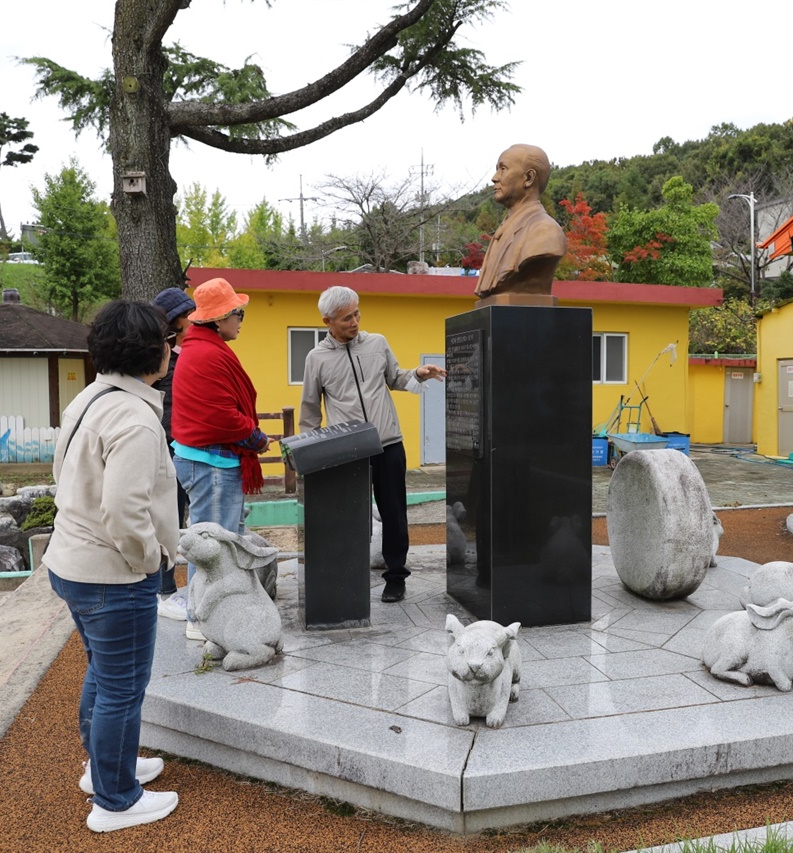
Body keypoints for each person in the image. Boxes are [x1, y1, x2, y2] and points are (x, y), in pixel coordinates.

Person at [45, 299, 180, 833]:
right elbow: (125, 511)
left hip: (72, 560)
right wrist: (149, 561)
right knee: (123, 686)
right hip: (112, 571)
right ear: (153, 351)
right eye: (169, 341)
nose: (172, 348)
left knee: (105, 673)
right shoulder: (135, 417)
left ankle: (104, 768)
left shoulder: (90, 397)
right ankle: (115, 799)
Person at [300, 285, 447, 603]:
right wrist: (308, 456)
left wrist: (419, 373)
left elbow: (396, 377)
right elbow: (310, 409)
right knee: (348, 515)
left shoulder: (377, 343)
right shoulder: (316, 358)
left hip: (388, 444)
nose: (354, 321)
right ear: (328, 321)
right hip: (346, 449)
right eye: (345, 318)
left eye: (356, 313)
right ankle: (346, 575)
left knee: (394, 513)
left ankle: (396, 577)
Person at [170, 278, 269, 638]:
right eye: (237, 313)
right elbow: (222, 417)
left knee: (215, 546)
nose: (241, 319)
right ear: (221, 317)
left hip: (204, 459)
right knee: (213, 551)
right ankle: (202, 622)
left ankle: (205, 616)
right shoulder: (207, 353)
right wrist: (256, 438)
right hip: (210, 463)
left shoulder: (200, 347)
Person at [150, 286, 195, 621]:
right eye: (186, 315)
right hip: (164, 446)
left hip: (186, 444)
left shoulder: (185, 352)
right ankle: (164, 590)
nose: (191, 320)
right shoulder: (157, 355)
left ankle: (172, 587)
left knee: (184, 517)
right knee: (167, 516)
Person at [474, 143, 567, 299]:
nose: (494, 178)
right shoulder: (503, 231)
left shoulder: (545, 231)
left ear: (528, 178)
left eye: (503, 169)